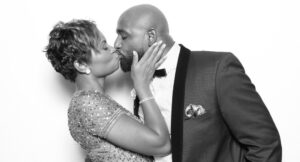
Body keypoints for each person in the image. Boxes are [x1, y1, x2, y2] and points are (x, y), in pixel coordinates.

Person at [114, 4, 282, 162]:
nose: (116, 44)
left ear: (151, 36)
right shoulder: (139, 80)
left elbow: (265, 143)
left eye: (124, 36)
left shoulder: (217, 69)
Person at [45, 19, 170, 162]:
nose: (113, 48)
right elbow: (162, 145)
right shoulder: (88, 104)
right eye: (104, 47)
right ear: (81, 65)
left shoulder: (90, 100)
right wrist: (142, 86)